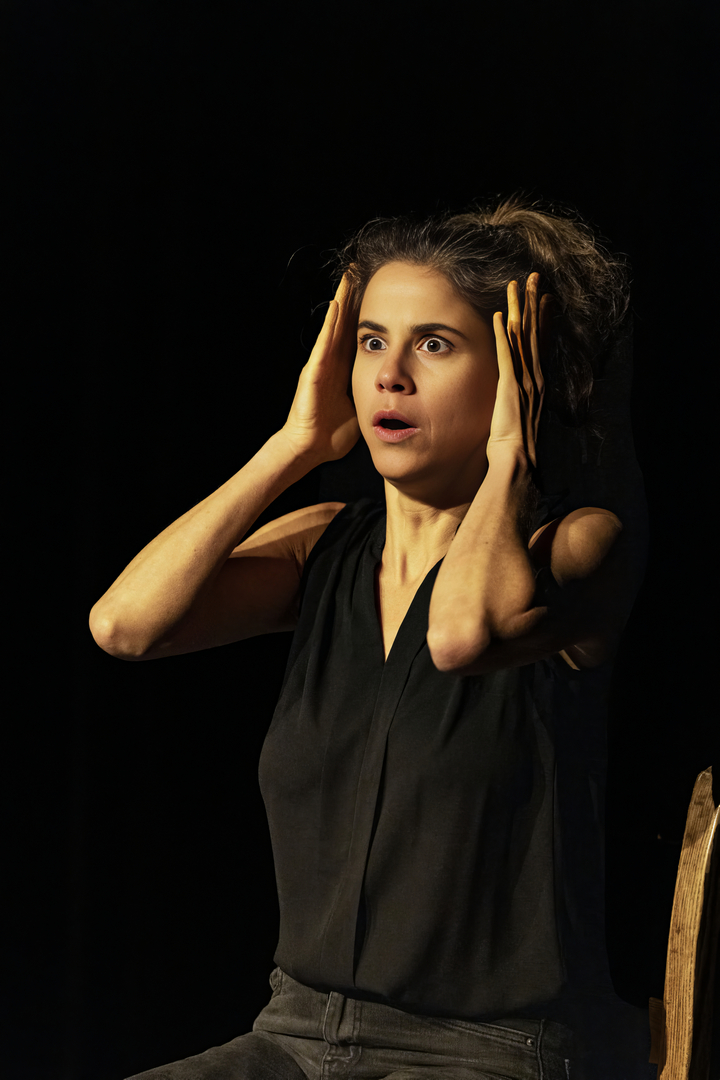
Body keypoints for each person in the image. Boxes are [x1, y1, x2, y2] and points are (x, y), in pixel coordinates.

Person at [89, 196, 650, 1080]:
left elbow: (460, 637)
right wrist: (295, 443)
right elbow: (125, 626)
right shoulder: (325, 544)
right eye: (372, 341)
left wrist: (513, 456)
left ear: (518, 372)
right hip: (294, 1034)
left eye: (435, 345)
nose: (390, 375)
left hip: (492, 1052)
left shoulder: (577, 547)